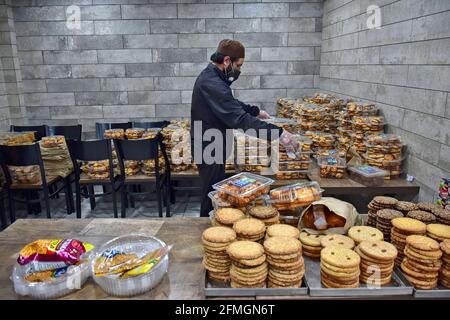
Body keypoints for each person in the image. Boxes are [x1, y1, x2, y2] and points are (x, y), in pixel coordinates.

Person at [190, 39, 297, 217]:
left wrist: (254, 111)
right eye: (238, 65)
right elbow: (238, 119)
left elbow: (230, 103)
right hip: (209, 145)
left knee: (216, 192)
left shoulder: (214, 78)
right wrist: (279, 133)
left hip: (213, 142)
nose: (239, 70)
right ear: (226, 61)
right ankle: (207, 228)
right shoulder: (212, 82)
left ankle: (215, 222)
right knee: (212, 194)